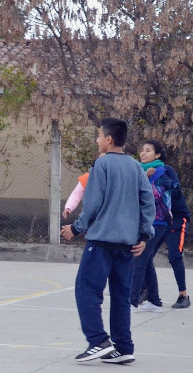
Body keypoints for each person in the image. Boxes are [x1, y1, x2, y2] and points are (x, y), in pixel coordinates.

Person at [60, 118, 155, 365]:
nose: (97, 140)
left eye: (99, 136)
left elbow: (92, 204)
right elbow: (148, 202)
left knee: (86, 290)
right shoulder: (136, 167)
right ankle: (124, 347)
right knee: (121, 297)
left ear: (109, 139)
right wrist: (144, 235)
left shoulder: (101, 165)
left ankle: (98, 341)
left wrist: (76, 228)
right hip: (127, 245)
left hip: (101, 243)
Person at [131, 140, 190, 310]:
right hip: (154, 221)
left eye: (147, 150)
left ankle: (183, 295)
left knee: (174, 256)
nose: (143, 153)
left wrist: (149, 179)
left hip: (174, 218)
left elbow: (162, 195)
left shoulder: (165, 171)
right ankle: (149, 295)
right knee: (145, 256)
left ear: (157, 155)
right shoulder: (140, 171)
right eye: (141, 150)